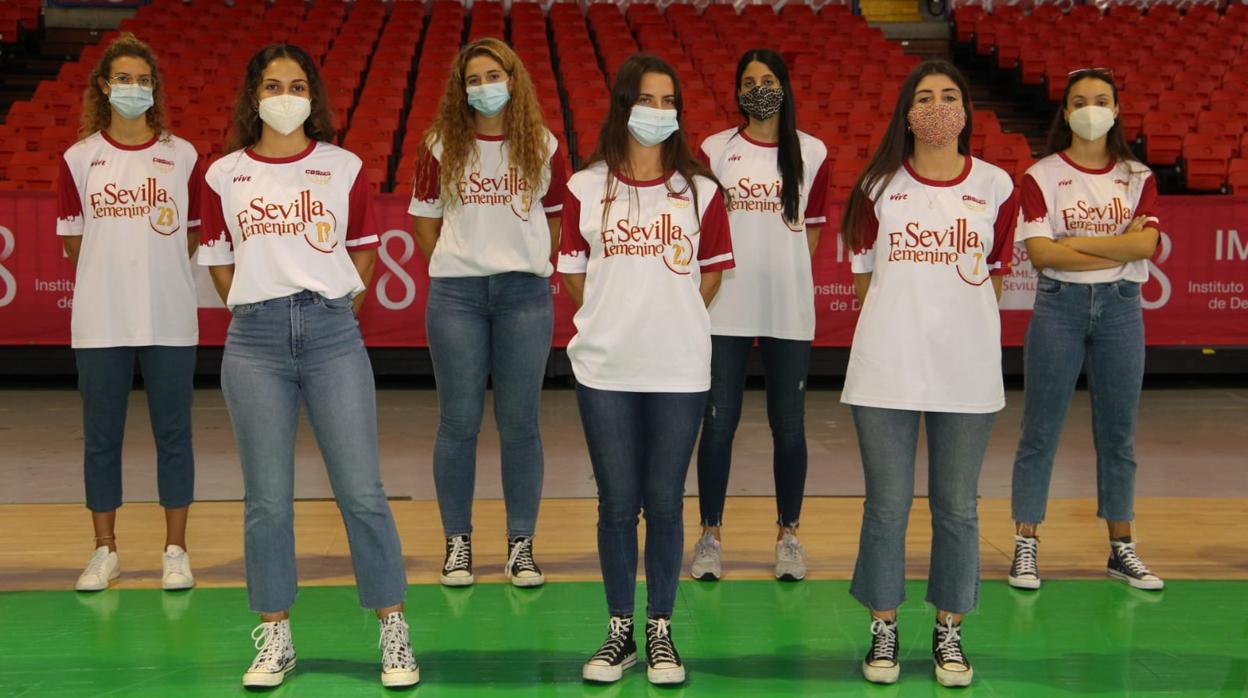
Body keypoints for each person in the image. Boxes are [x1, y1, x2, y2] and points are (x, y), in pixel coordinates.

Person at [197, 44, 417, 689]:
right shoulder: (223, 174)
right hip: (254, 341)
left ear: (313, 97)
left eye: (296, 84)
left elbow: (364, 253)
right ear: (253, 95)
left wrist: (329, 304)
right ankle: (275, 636)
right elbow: (217, 256)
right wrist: (260, 302)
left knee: (362, 490)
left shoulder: (342, 166)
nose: (284, 95)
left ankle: (393, 628)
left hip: (331, 333)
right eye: (272, 83)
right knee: (266, 500)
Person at [839, 60, 1018, 688]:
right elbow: (863, 280)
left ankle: (949, 630)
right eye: (924, 96)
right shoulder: (876, 185)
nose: (937, 105)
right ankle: (883, 627)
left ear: (967, 110)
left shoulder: (997, 186)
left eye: (949, 95)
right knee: (886, 506)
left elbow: (993, 275)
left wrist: (953, 329)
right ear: (905, 111)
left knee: (957, 508)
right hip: (886, 369)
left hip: (966, 373)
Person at [559, 54, 733, 686]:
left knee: (663, 503)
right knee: (614, 505)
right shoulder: (585, 187)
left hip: (680, 369)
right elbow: (574, 274)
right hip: (604, 369)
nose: (660, 112)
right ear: (623, 103)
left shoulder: (703, 190)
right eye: (648, 99)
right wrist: (615, 320)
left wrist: (669, 317)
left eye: (670, 101)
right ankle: (619, 632)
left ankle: (660, 628)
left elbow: (710, 273)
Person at [410, 37, 566, 588]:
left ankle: (521, 545)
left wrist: (520, 260)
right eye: (473, 79)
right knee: (457, 423)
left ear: (513, 78)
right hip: (457, 298)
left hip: (525, 295)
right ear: (461, 88)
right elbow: (425, 221)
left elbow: (554, 219)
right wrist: (461, 265)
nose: (484, 87)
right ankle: (458, 543)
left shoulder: (542, 145)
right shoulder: (439, 145)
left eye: (492, 75)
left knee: (520, 424)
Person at [1008, 67, 1164, 592]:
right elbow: (1039, 252)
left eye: (1101, 99)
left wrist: (1072, 243)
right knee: (1039, 431)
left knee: (1118, 435)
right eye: (1080, 100)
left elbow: (1144, 248)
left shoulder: (1139, 177)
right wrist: (1111, 244)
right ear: (1066, 111)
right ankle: (1026, 543)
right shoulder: (1041, 176)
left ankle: (1122, 548)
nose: (1090, 108)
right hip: (1059, 308)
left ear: (1116, 110)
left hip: (1121, 309)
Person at [57, 32, 201, 594]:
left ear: (155, 88)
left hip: (168, 317)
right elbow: (74, 243)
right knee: (101, 437)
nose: (134, 88)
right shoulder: (78, 159)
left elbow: (190, 237)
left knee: (174, 433)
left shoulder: (182, 155)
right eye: (123, 78)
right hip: (100, 319)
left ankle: (176, 550)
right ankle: (105, 550)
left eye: (144, 80)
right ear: (103, 86)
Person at [693, 48, 829, 582]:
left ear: (784, 84)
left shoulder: (812, 151)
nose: (758, 88)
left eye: (767, 79)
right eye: (748, 80)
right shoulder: (714, 149)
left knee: (788, 427)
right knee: (718, 424)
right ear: (737, 90)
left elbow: (811, 232)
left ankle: (788, 535)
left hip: (787, 310)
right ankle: (710, 534)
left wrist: (783, 273)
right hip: (725, 306)